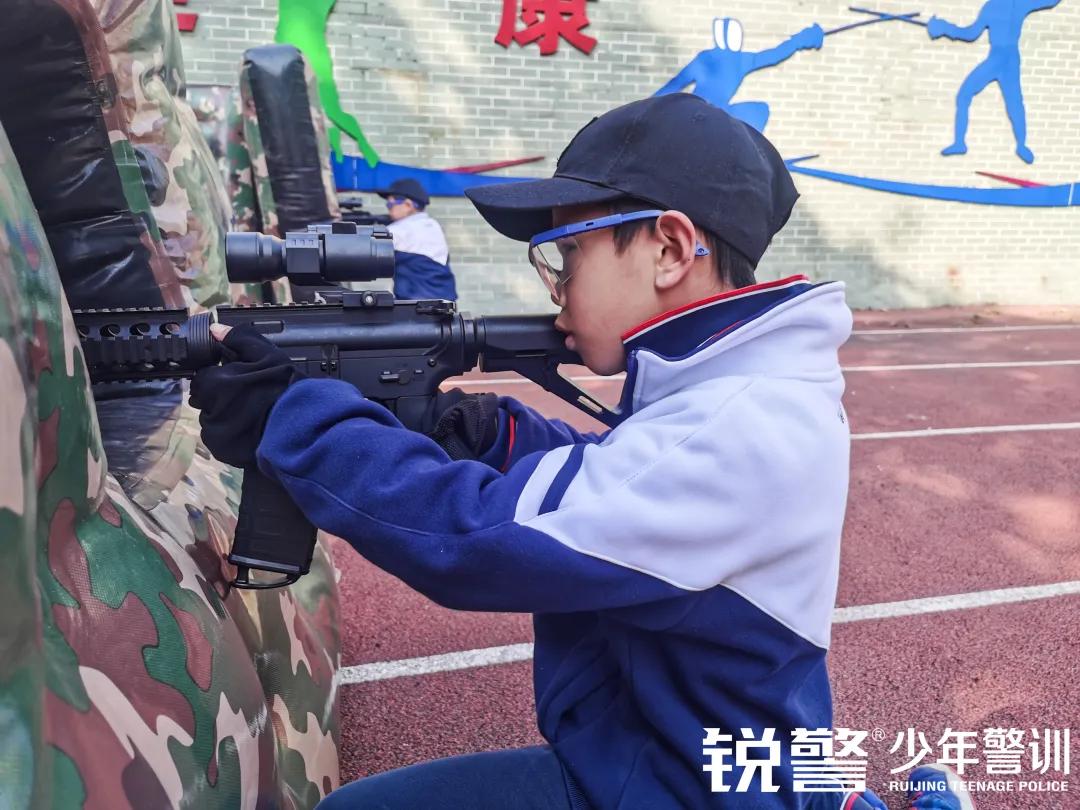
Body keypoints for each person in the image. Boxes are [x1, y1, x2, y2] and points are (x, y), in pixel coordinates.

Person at [188, 94, 967, 809]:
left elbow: (481, 542)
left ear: (668, 248)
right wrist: (497, 435)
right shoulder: (737, 381)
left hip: (677, 785)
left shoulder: (741, 425)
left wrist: (294, 417)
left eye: (566, 255)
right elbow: (619, 476)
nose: (556, 287)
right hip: (689, 746)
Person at [927, 0, 1061, 164]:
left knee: (1012, 103)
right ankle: (961, 143)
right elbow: (971, 34)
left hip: (1004, 58)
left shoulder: (1011, 4)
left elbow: (970, 33)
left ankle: (1020, 145)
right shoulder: (1002, 5)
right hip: (1001, 58)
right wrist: (945, 28)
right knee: (970, 96)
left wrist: (945, 28)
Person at [655, 17, 824, 132]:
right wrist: (800, 40)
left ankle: (749, 156)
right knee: (758, 111)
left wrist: (800, 41)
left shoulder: (720, 58)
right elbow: (775, 54)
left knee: (758, 111)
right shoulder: (726, 59)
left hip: (713, 114)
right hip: (700, 115)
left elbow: (676, 84)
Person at [376, 177, 458, 301]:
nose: (388, 209)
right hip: (443, 302)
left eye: (390, 204)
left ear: (408, 205)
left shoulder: (402, 229)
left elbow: (366, 249)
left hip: (419, 305)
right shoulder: (432, 225)